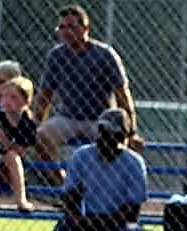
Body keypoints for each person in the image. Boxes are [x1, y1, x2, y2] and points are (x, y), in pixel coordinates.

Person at [32, 5, 143, 185]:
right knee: (41, 136)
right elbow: (45, 94)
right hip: (68, 117)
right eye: (62, 27)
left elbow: (122, 95)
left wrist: (131, 131)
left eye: (71, 26)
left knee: (114, 142)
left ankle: (107, 187)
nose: (66, 32)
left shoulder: (105, 54)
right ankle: (64, 186)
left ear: (85, 29)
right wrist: (35, 125)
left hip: (100, 118)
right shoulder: (56, 55)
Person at [0, 76, 36, 211]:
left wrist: (4, 139)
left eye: (13, 97)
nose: (7, 101)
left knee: (12, 156)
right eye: (4, 96)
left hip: (9, 164)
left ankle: (21, 200)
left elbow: (21, 151)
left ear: (26, 101)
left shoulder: (27, 123)